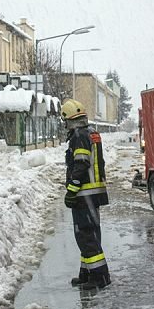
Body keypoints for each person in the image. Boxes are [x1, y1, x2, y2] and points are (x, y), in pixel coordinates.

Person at [61, 98, 110, 289]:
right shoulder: (91, 133)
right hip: (93, 193)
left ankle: (100, 277)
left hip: (84, 194)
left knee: (86, 236)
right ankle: (87, 273)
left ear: (69, 120)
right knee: (88, 235)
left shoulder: (79, 136)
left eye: (65, 121)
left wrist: (72, 190)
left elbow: (81, 164)